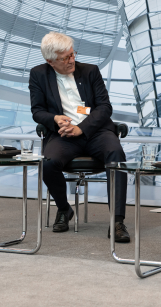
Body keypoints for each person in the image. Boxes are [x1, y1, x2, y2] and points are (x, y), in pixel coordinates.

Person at [29, 32, 130, 242]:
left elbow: (104, 108)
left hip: (95, 131)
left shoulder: (90, 71)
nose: (72, 60)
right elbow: (37, 111)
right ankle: (64, 209)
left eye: (72, 54)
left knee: (116, 153)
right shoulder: (38, 74)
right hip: (63, 135)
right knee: (47, 163)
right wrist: (55, 118)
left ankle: (117, 221)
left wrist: (81, 128)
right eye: (65, 58)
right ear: (50, 61)